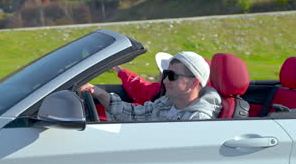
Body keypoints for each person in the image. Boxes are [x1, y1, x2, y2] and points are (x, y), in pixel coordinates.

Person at [80, 51, 222, 122]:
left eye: (172, 76)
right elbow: (134, 114)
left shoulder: (198, 120)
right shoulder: (165, 104)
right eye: (165, 74)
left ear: (194, 83)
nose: (165, 81)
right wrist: (100, 93)